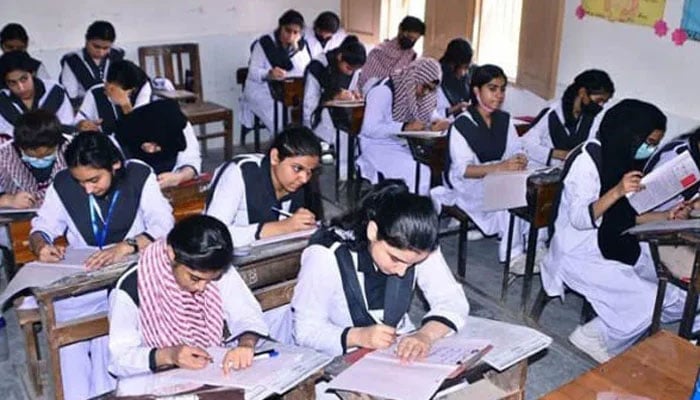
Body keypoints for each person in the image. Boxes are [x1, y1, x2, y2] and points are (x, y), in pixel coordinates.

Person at [540, 99, 695, 363]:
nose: (651, 150)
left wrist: (666, 216)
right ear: (630, 134)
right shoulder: (587, 159)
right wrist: (618, 191)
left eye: (655, 144)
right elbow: (580, 219)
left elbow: (626, 218)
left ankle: (612, 330)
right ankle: (593, 336)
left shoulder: (622, 159)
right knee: (648, 299)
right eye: (649, 142)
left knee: (666, 292)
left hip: (608, 243)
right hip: (576, 251)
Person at [26, 132, 173, 399]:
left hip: (130, 277)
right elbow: (42, 226)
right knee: (70, 346)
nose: (87, 189)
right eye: (80, 181)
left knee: (115, 346)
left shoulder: (140, 175)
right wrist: (41, 245)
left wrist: (126, 246)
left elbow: (163, 225)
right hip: (84, 281)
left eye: (94, 180)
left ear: (115, 165)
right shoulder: (63, 183)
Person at [291, 180, 469, 358]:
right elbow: (305, 331)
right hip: (341, 353)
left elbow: (452, 300)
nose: (402, 272)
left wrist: (425, 335)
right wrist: (359, 336)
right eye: (394, 259)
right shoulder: (326, 255)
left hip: (396, 346)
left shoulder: (418, 247)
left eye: (413, 265)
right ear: (372, 232)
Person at [108, 215, 269, 377]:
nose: (201, 288)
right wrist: (169, 355)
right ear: (171, 254)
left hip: (211, 374)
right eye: (195, 278)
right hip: (155, 382)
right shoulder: (133, 285)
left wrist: (246, 345)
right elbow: (119, 360)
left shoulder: (213, 267)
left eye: (211, 280)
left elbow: (247, 315)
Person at [431, 64, 536, 272]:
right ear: (477, 91)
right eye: (492, 88)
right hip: (467, 185)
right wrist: (501, 167)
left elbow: (516, 147)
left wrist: (520, 158)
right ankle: (513, 255)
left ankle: (534, 245)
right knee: (509, 196)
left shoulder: (504, 120)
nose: (499, 95)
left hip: (495, 178)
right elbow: (464, 171)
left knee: (529, 189)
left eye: (502, 89)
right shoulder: (462, 124)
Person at [205, 126, 321, 247]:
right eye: (297, 168)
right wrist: (280, 227)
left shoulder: (304, 182)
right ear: (275, 157)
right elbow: (212, 235)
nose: (304, 179)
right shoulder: (239, 173)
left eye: (310, 171)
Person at [356, 57, 449, 195]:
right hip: (377, 146)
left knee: (440, 166)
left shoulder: (422, 92)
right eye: (424, 87)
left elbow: (430, 113)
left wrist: (438, 121)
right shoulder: (383, 91)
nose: (425, 93)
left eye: (430, 89)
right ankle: (411, 214)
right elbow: (369, 129)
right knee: (420, 172)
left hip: (406, 144)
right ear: (415, 78)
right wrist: (404, 127)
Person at [522, 69, 614, 167]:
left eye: (604, 102)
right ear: (582, 92)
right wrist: (560, 154)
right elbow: (525, 145)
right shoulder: (552, 113)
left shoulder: (591, 120)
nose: (601, 105)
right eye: (599, 100)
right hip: (538, 170)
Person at [239, 9, 311, 134]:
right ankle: (283, 145)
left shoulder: (300, 45)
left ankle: (299, 145)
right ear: (280, 27)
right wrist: (268, 73)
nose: (290, 36)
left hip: (290, 90)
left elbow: (305, 70)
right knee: (279, 114)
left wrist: (296, 48)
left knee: (306, 109)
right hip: (262, 89)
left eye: (295, 32)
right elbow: (253, 72)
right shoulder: (265, 43)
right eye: (287, 30)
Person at [303, 35, 365, 174]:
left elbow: (352, 89)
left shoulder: (353, 69)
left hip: (343, 112)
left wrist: (354, 95)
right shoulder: (318, 66)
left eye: (354, 70)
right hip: (317, 114)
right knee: (343, 134)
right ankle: (344, 172)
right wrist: (332, 96)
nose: (351, 72)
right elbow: (309, 103)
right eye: (348, 68)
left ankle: (351, 168)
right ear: (339, 57)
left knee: (359, 129)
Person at [0, 110, 69, 209]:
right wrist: (8, 200)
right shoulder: (3, 153)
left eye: (47, 154)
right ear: (20, 147)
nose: (40, 159)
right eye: (33, 156)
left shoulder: (73, 149)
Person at [0, 50, 73, 136]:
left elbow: (67, 127)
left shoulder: (54, 92)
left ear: (32, 73)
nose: (21, 88)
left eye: (24, 79)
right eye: (12, 83)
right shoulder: (3, 101)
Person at [74, 59, 154, 134]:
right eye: (107, 83)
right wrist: (82, 125)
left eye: (113, 89)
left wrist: (126, 106)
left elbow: (140, 133)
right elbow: (78, 122)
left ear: (130, 91)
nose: (107, 89)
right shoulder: (95, 92)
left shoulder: (145, 96)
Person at [60, 20, 125, 106]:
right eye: (96, 46)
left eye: (106, 48)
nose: (101, 52)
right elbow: (70, 95)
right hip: (83, 107)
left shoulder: (117, 56)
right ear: (86, 41)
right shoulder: (73, 61)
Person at [357, 16, 425, 93]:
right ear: (400, 29)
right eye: (409, 37)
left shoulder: (412, 57)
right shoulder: (378, 52)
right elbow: (366, 82)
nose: (411, 41)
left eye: (415, 40)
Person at [437, 38, 473, 119]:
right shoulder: (435, 79)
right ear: (451, 64)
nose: (464, 73)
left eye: (467, 68)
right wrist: (454, 109)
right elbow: (428, 116)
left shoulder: (466, 80)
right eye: (461, 67)